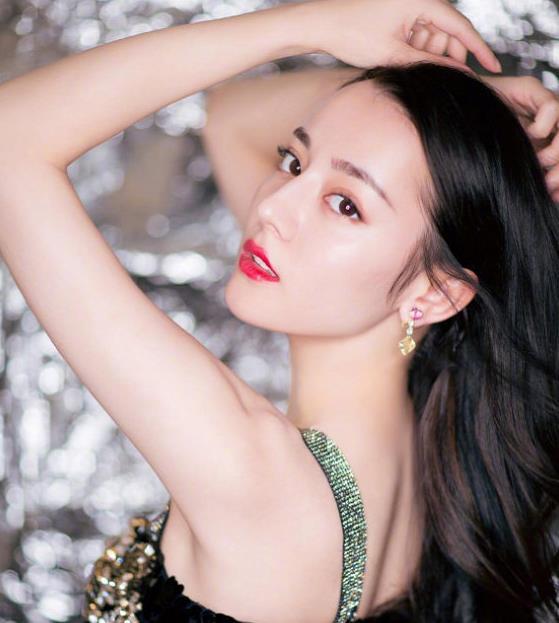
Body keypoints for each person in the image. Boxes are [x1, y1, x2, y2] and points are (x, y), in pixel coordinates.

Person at [0, 0, 556, 620]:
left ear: (437, 295)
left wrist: (308, 25)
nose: (273, 206)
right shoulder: (430, 454)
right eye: (293, 161)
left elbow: (9, 140)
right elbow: (233, 121)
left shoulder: (254, 473)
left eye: (346, 205)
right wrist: (465, 107)